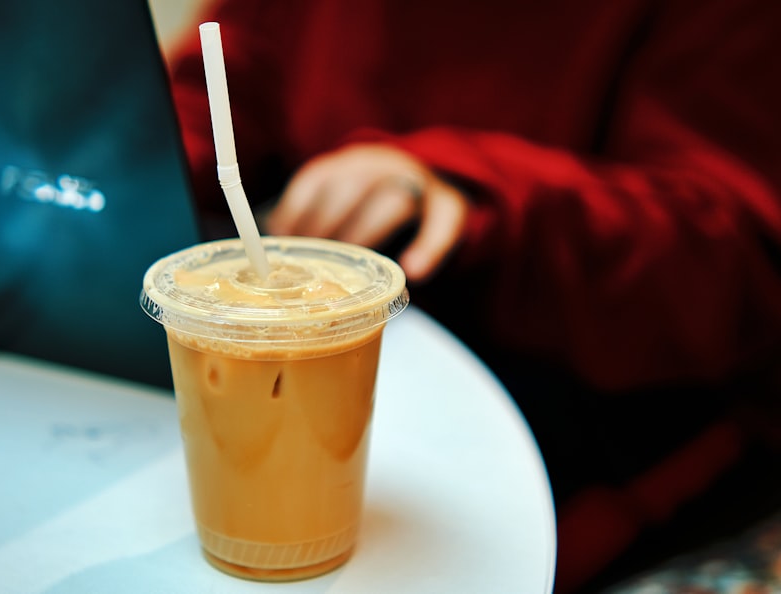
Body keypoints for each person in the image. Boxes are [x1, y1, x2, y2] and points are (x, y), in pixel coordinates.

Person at [164, 0, 781, 591]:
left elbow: (739, 261)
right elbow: (226, 84)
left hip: (601, 388)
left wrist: (475, 188)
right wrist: (135, 155)